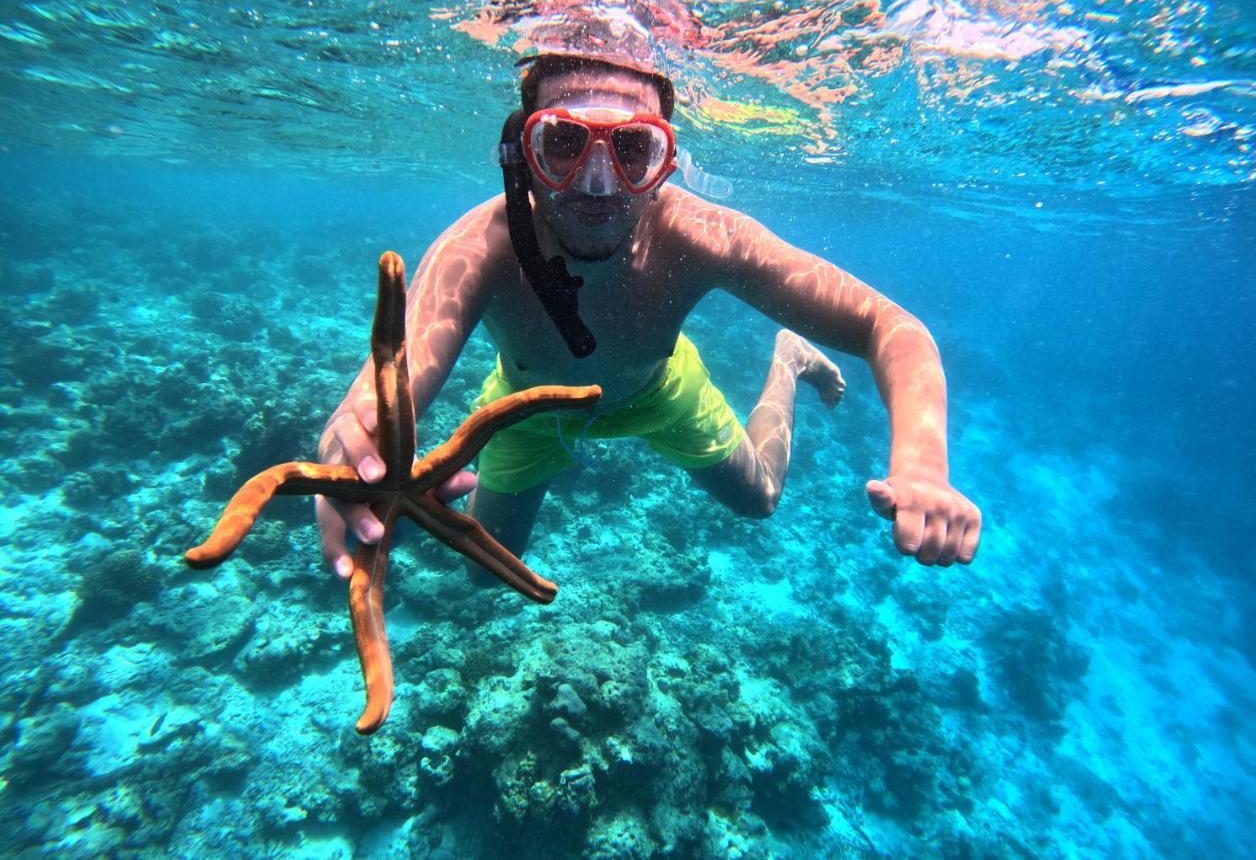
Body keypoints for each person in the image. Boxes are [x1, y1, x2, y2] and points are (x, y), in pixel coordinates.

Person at [314, 48, 981, 582]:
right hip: (526, 405)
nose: (598, 183)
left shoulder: (704, 236)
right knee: (490, 571)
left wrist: (922, 464)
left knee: (761, 500)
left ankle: (788, 359)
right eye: (564, 142)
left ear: (667, 162)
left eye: (633, 149)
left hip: (659, 391)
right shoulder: (480, 249)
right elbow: (388, 384)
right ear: (523, 151)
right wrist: (356, 438)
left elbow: (891, 327)